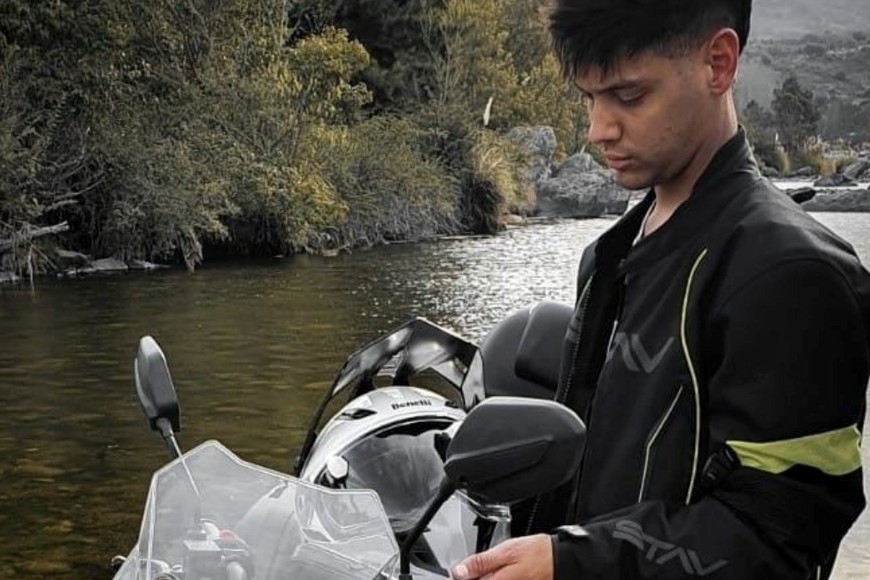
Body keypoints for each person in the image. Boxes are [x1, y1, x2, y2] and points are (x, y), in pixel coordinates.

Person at [451, 0, 870, 578]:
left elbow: (779, 543)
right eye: (588, 98)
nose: (599, 129)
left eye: (629, 96)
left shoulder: (794, 275)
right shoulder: (610, 255)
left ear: (718, 63)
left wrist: (572, 562)